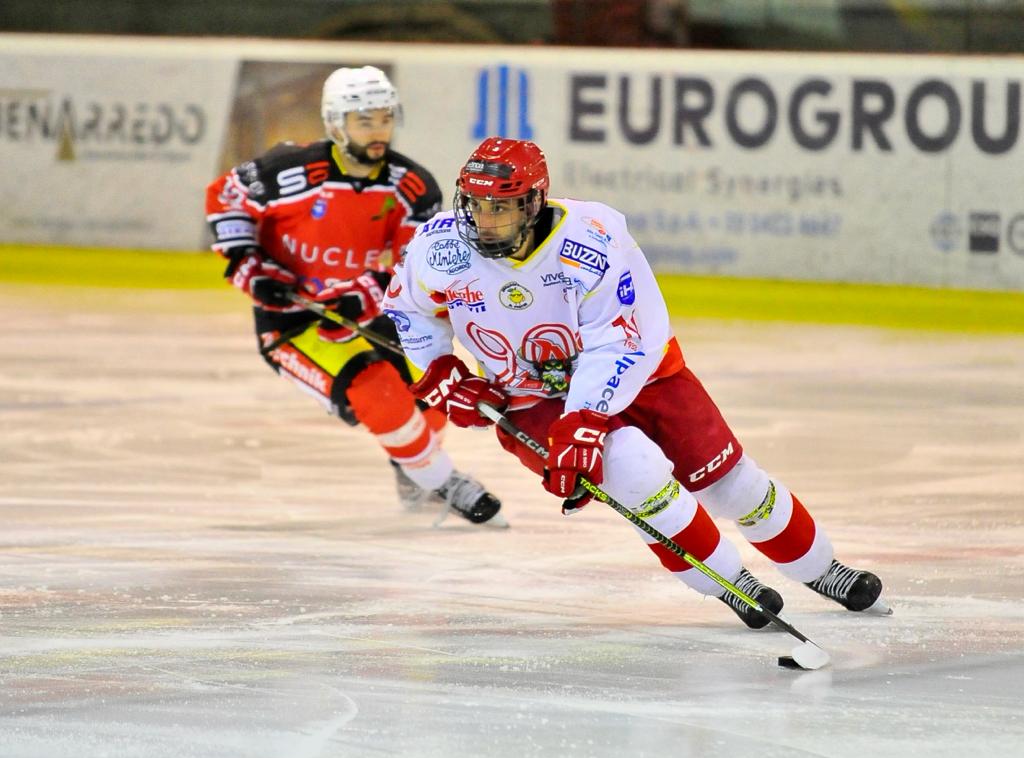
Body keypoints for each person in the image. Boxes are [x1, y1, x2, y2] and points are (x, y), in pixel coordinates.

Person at [383, 136, 887, 627]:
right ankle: (732, 582)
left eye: (501, 207)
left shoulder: (591, 237)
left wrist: (584, 417)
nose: (485, 220)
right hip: (532, 397)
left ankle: (822, 569)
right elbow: (409, 308)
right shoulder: (440, 247)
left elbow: (621, 339)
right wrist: (440, 370)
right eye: (476, 205)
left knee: (732, 484)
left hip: (643, 372)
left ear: (533, 203)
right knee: (636, 474)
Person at [204, 66, 503, 526]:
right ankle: (442, 482)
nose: (378, 131)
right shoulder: (287, 170)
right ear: (335, 123)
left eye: (385, 118)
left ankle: (415, 468)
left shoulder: (412, 186)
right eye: (365, 121)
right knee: (376, 389)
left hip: (367, 306)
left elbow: (413, 268)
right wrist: (248, 263)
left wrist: (361, 296)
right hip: (293, 319)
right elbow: (225, 196)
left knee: (431, 389)